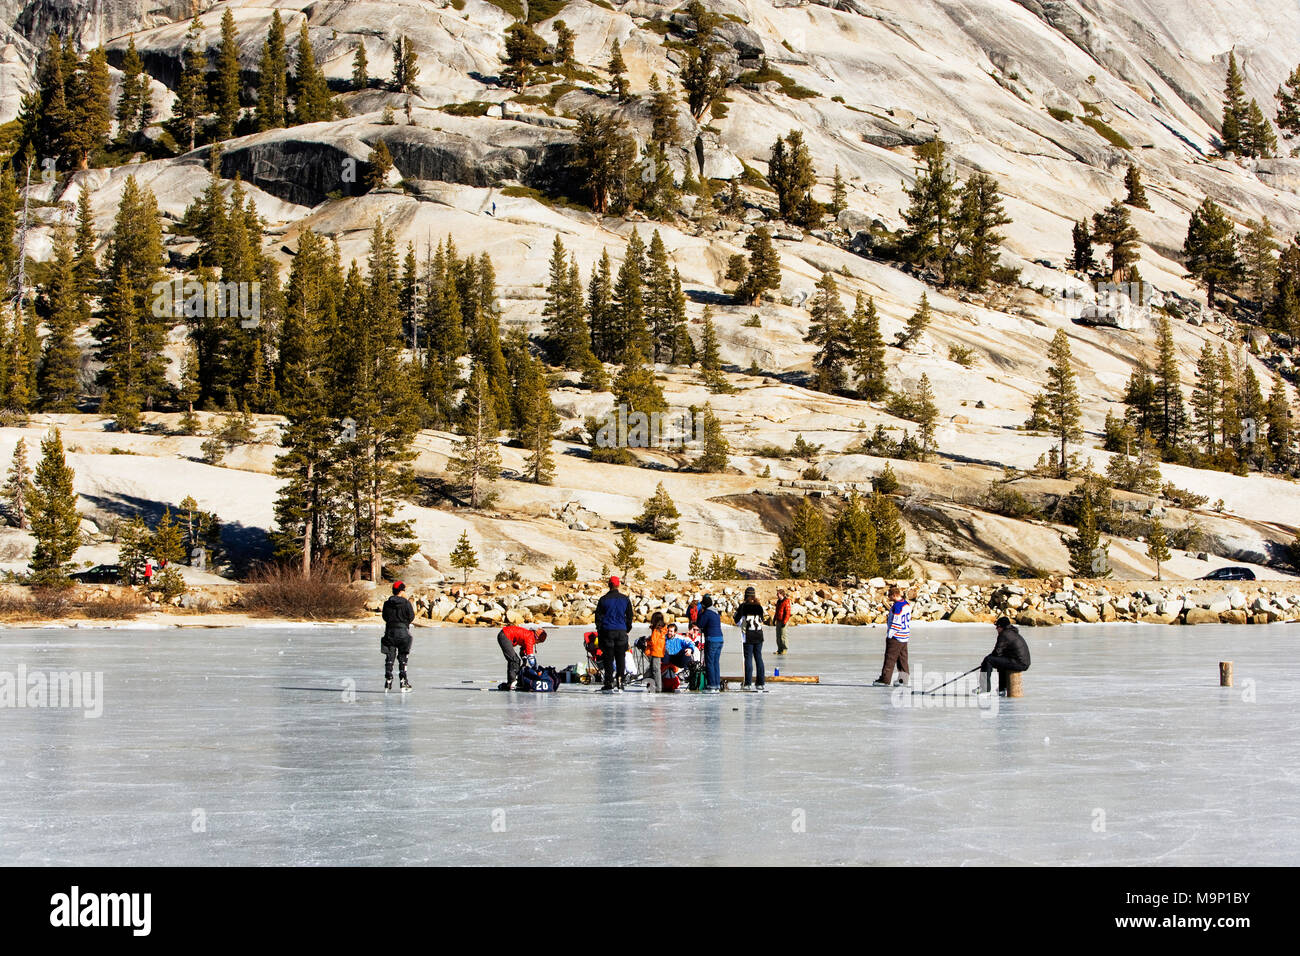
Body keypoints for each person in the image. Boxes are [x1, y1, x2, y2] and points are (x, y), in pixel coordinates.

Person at [595, 575, 633, 692]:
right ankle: (620, 680)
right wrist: (626, 629)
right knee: (620, 657)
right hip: (621, 631)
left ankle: (609, 682)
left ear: (609, 585)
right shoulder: (625, 599)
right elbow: (630, 616)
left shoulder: (603, 599)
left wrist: (600, 630)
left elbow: (598, 618)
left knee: (608, 658)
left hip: (608, 631)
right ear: (618, 585)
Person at [978, 617, 1031, 694]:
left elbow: (996, 653)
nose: (996, 628)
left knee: (988, 660)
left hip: (1019, 662)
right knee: (1001, 662)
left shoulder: (1004, 635)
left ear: (1002, 627)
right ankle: (1002, 688)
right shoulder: (1011, 632)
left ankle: (984, 689)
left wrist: (988, 659)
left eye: (997, 626)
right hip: (1022, 662)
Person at [873, 586, 911, 687]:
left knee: (890, 658)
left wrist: (890, 635)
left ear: (894, 595)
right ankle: (903, 680)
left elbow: (897, 622)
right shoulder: (906, 604)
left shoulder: (897, 606)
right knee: (902, 659)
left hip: (896, 636)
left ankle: (885, 680)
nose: (888, 598)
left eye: (890, 595)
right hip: (904, 636)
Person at [381, 581, 416, 692]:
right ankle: (403, 680)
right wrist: (404, 623)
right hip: (403, 632)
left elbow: (384, 616)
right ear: (401, 591)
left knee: (390, 656)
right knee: (403, 656)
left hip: (390, 632)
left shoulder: (387, 603)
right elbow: (411, 616)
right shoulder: (406, 603)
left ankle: (388, 678)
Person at [734, 586, 766, 691]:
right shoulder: (758, 606)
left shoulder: (743, 606)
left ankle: (747, 683)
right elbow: (761, 619)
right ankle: (760, 683)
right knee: (758, 658)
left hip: (748, 635)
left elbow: (737, 621)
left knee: (748, 659)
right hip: (759, 634)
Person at [497, 624, 548, 690]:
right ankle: (511, 683)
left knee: (516, 660)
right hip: (505, 635)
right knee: (514, 660)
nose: (537, 643)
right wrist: (537, 669)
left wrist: (524, 660)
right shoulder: (530, 638)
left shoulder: (529, 635)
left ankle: (513, 681)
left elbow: (523, 651)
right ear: (537, 638)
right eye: (538, 642)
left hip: (505, 634)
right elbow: (531, 658)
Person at [697, 594, 724, 691]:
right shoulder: (715, 612)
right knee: (715, 662)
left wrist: (699, 612)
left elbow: (700, 624)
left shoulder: (707, 613)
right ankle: (716, 683)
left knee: (709, 662)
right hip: (720, 639)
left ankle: (712, 685)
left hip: (712, 639)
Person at [645, 612, 667, 693]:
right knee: (655, 670)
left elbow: (653, 642)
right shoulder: (661, 629)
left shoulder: (656, 630)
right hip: (658, 651)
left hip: (655, 652)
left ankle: (658, 687)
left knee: (655, 670)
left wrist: (647, 641)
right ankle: (655, 686)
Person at [774, 588, 792, 655]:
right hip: (778, 620)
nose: (777, 595)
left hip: (783, 621)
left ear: (782, 594)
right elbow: (777, 611)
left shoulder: (786, 601)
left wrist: (784, 622)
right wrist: (774, 619)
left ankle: (784, 649)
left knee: (783, 635)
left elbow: (788, 613)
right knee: (778, 636)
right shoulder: (778, 601)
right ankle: (779, 649)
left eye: (778, 594)